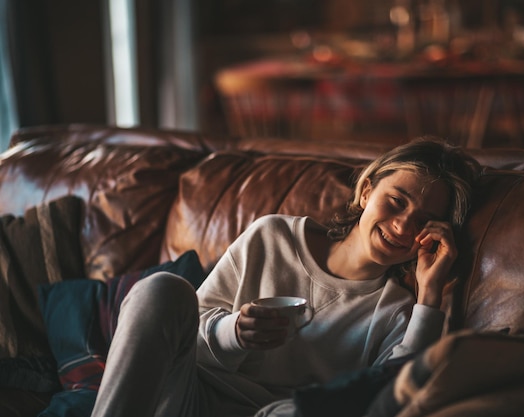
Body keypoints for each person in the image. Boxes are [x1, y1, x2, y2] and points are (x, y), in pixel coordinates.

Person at [90, 137, 481, 417]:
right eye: (395, 201)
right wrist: (235, 334)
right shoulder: (272, 236)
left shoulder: (397, 311)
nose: (402, 225)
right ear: (366, 191)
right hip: (192, 393)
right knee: (161, 288)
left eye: (424, 221)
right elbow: (185, 341)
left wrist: (429, 294)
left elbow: (395, 395)